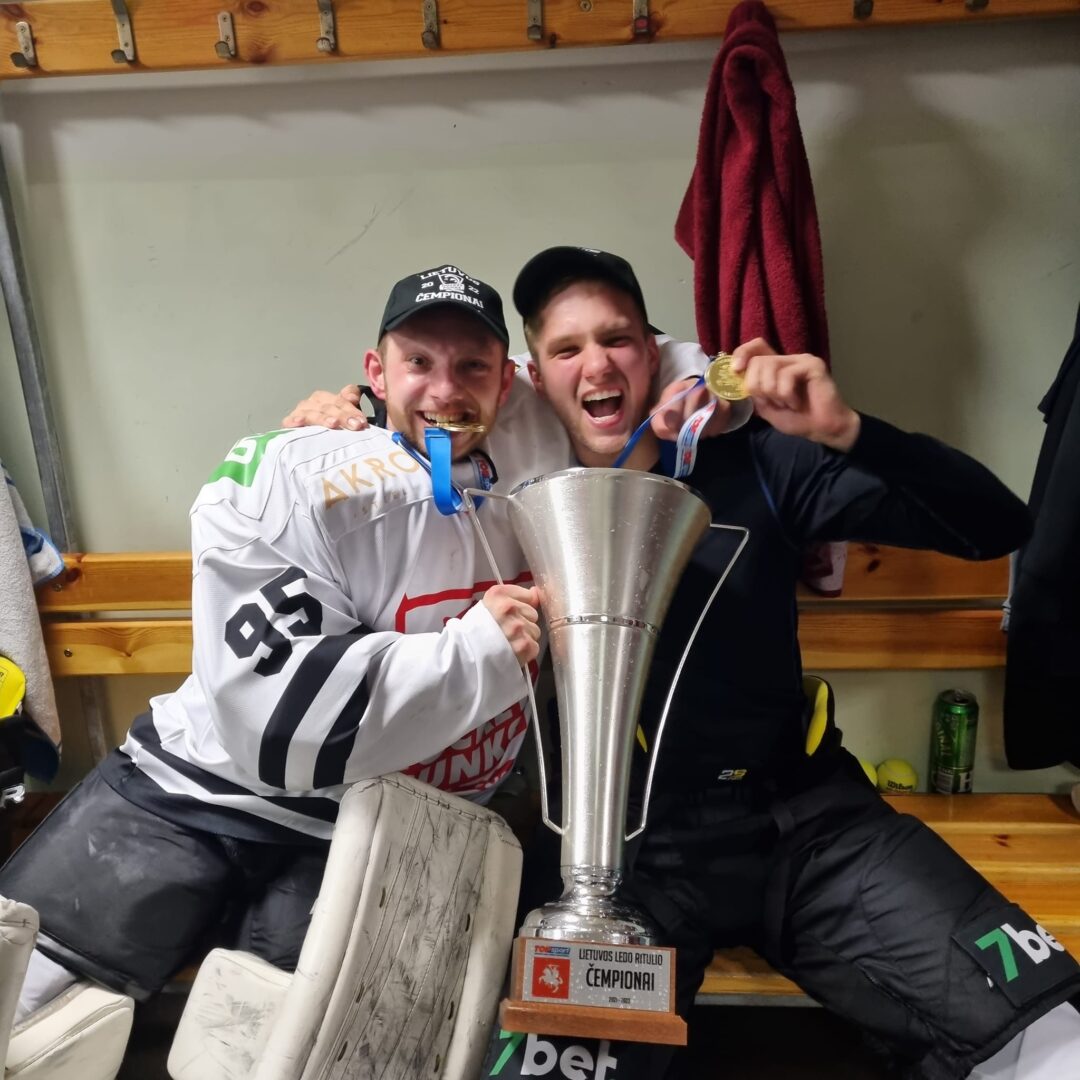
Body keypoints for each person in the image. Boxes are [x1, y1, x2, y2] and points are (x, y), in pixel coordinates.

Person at [287, 246, 1080, 1080]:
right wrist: (340, 418)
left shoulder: (760, 457)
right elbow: (418, 424)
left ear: (652, 350)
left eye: (617, 339)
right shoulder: (504, 481)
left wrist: (846, 430)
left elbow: (998, 526)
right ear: (536, 377)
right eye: (567, 349)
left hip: (810, 824)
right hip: (625, 859)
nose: (597, 365)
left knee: (1052, 1041)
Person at [0, 264, 552, 1038]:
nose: (445, 388)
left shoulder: (539, 425)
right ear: (376, 371)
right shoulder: (297, 471)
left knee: (283, 1039)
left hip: (376, 823)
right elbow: (279, 729)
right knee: (21, 990)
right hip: (200, 785)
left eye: (472, 366)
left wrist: (712, 389)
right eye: (419, 362)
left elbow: (612, 359)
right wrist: (479, 655)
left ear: (507, 377)